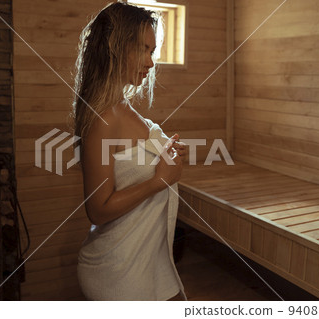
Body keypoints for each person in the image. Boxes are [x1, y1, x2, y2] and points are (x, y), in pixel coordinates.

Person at [71, 1, 188, 301]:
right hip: (119, 267)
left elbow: (131, 162)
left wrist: (165, 154)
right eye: (143, 49)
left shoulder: (121, 108)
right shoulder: (103, 117)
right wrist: (159, 180)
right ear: (114, 48)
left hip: (147, 259)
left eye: (152, 51)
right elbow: (97, 208)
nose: (150, 63)